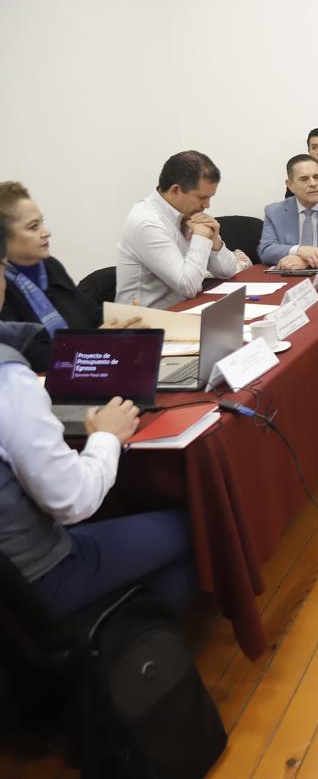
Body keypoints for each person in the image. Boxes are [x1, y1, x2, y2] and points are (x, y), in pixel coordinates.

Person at [0, 238, 195, 621]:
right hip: (37, 579)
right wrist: (106, 436)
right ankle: (130, 644)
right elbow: (72, 501)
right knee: (195, 527)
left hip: (18, 567)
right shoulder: (9, 380)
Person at [116, 151, 240, 308]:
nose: (207, 205)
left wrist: (214, 240)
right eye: (202, 197)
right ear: (175, 190)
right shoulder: (148, 223)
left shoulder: (186, 213)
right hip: (147, 319)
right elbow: (188, 287)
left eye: (210, 197)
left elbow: (228, 271)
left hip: (183, 310)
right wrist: (201, 238)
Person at [0, 181, 102, 333]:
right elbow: (30, 347)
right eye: (33, 227)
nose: (46, 232)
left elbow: (93, 315)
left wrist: (125, 321)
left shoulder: (50, 266)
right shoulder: (3, 288)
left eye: (42, 223)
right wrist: (96, 339)